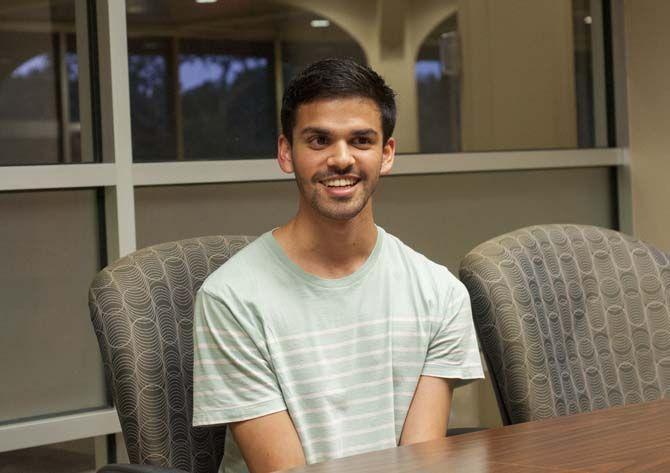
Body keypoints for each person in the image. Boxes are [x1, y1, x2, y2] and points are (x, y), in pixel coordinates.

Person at [192, 58, 484, 473]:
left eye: (361, 140)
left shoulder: (440, 293)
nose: (341, 159)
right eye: (319, 140)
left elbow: (421, 461)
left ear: (386, 154)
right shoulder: (231, 299)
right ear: (285, 152)